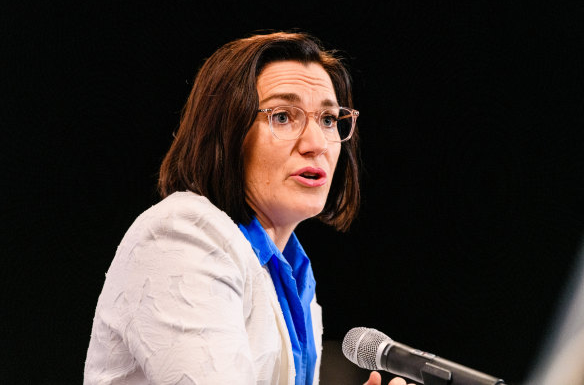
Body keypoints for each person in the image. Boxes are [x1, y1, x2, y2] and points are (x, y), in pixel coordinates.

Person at [84, 31, 411, 385]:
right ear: (226, 132)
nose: (317, 143)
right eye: (284, 116)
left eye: (329, 119)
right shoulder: (182, 236)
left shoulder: (294, 276)